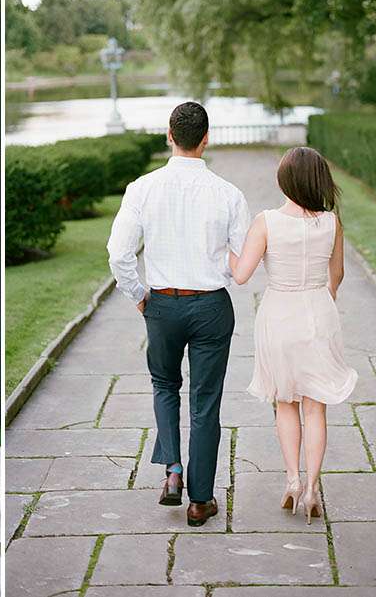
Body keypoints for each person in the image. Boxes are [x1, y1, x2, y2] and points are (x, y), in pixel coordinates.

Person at [107, 101, 250, 527]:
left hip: (162, 304)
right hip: (210, 306)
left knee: (164, 385)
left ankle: (172, 472)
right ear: (206, 139)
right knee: (205, 402)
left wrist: (139, 295)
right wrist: (217, 266)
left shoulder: (142, 188)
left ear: (169, 135)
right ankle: (200, 501)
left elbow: (119, 254)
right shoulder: (228, 194)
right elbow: (241, 259)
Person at [229, 146, 357, 524]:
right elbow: (338, 275)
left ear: (284, 180)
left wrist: (225, 250)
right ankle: (314, 488)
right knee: (315, 406)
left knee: (286, 402)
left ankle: (292, 481)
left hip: (279, 315)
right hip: (318, 311)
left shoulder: (266, 221)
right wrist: (323, 299)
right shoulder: (332, 223)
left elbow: (241, 274)